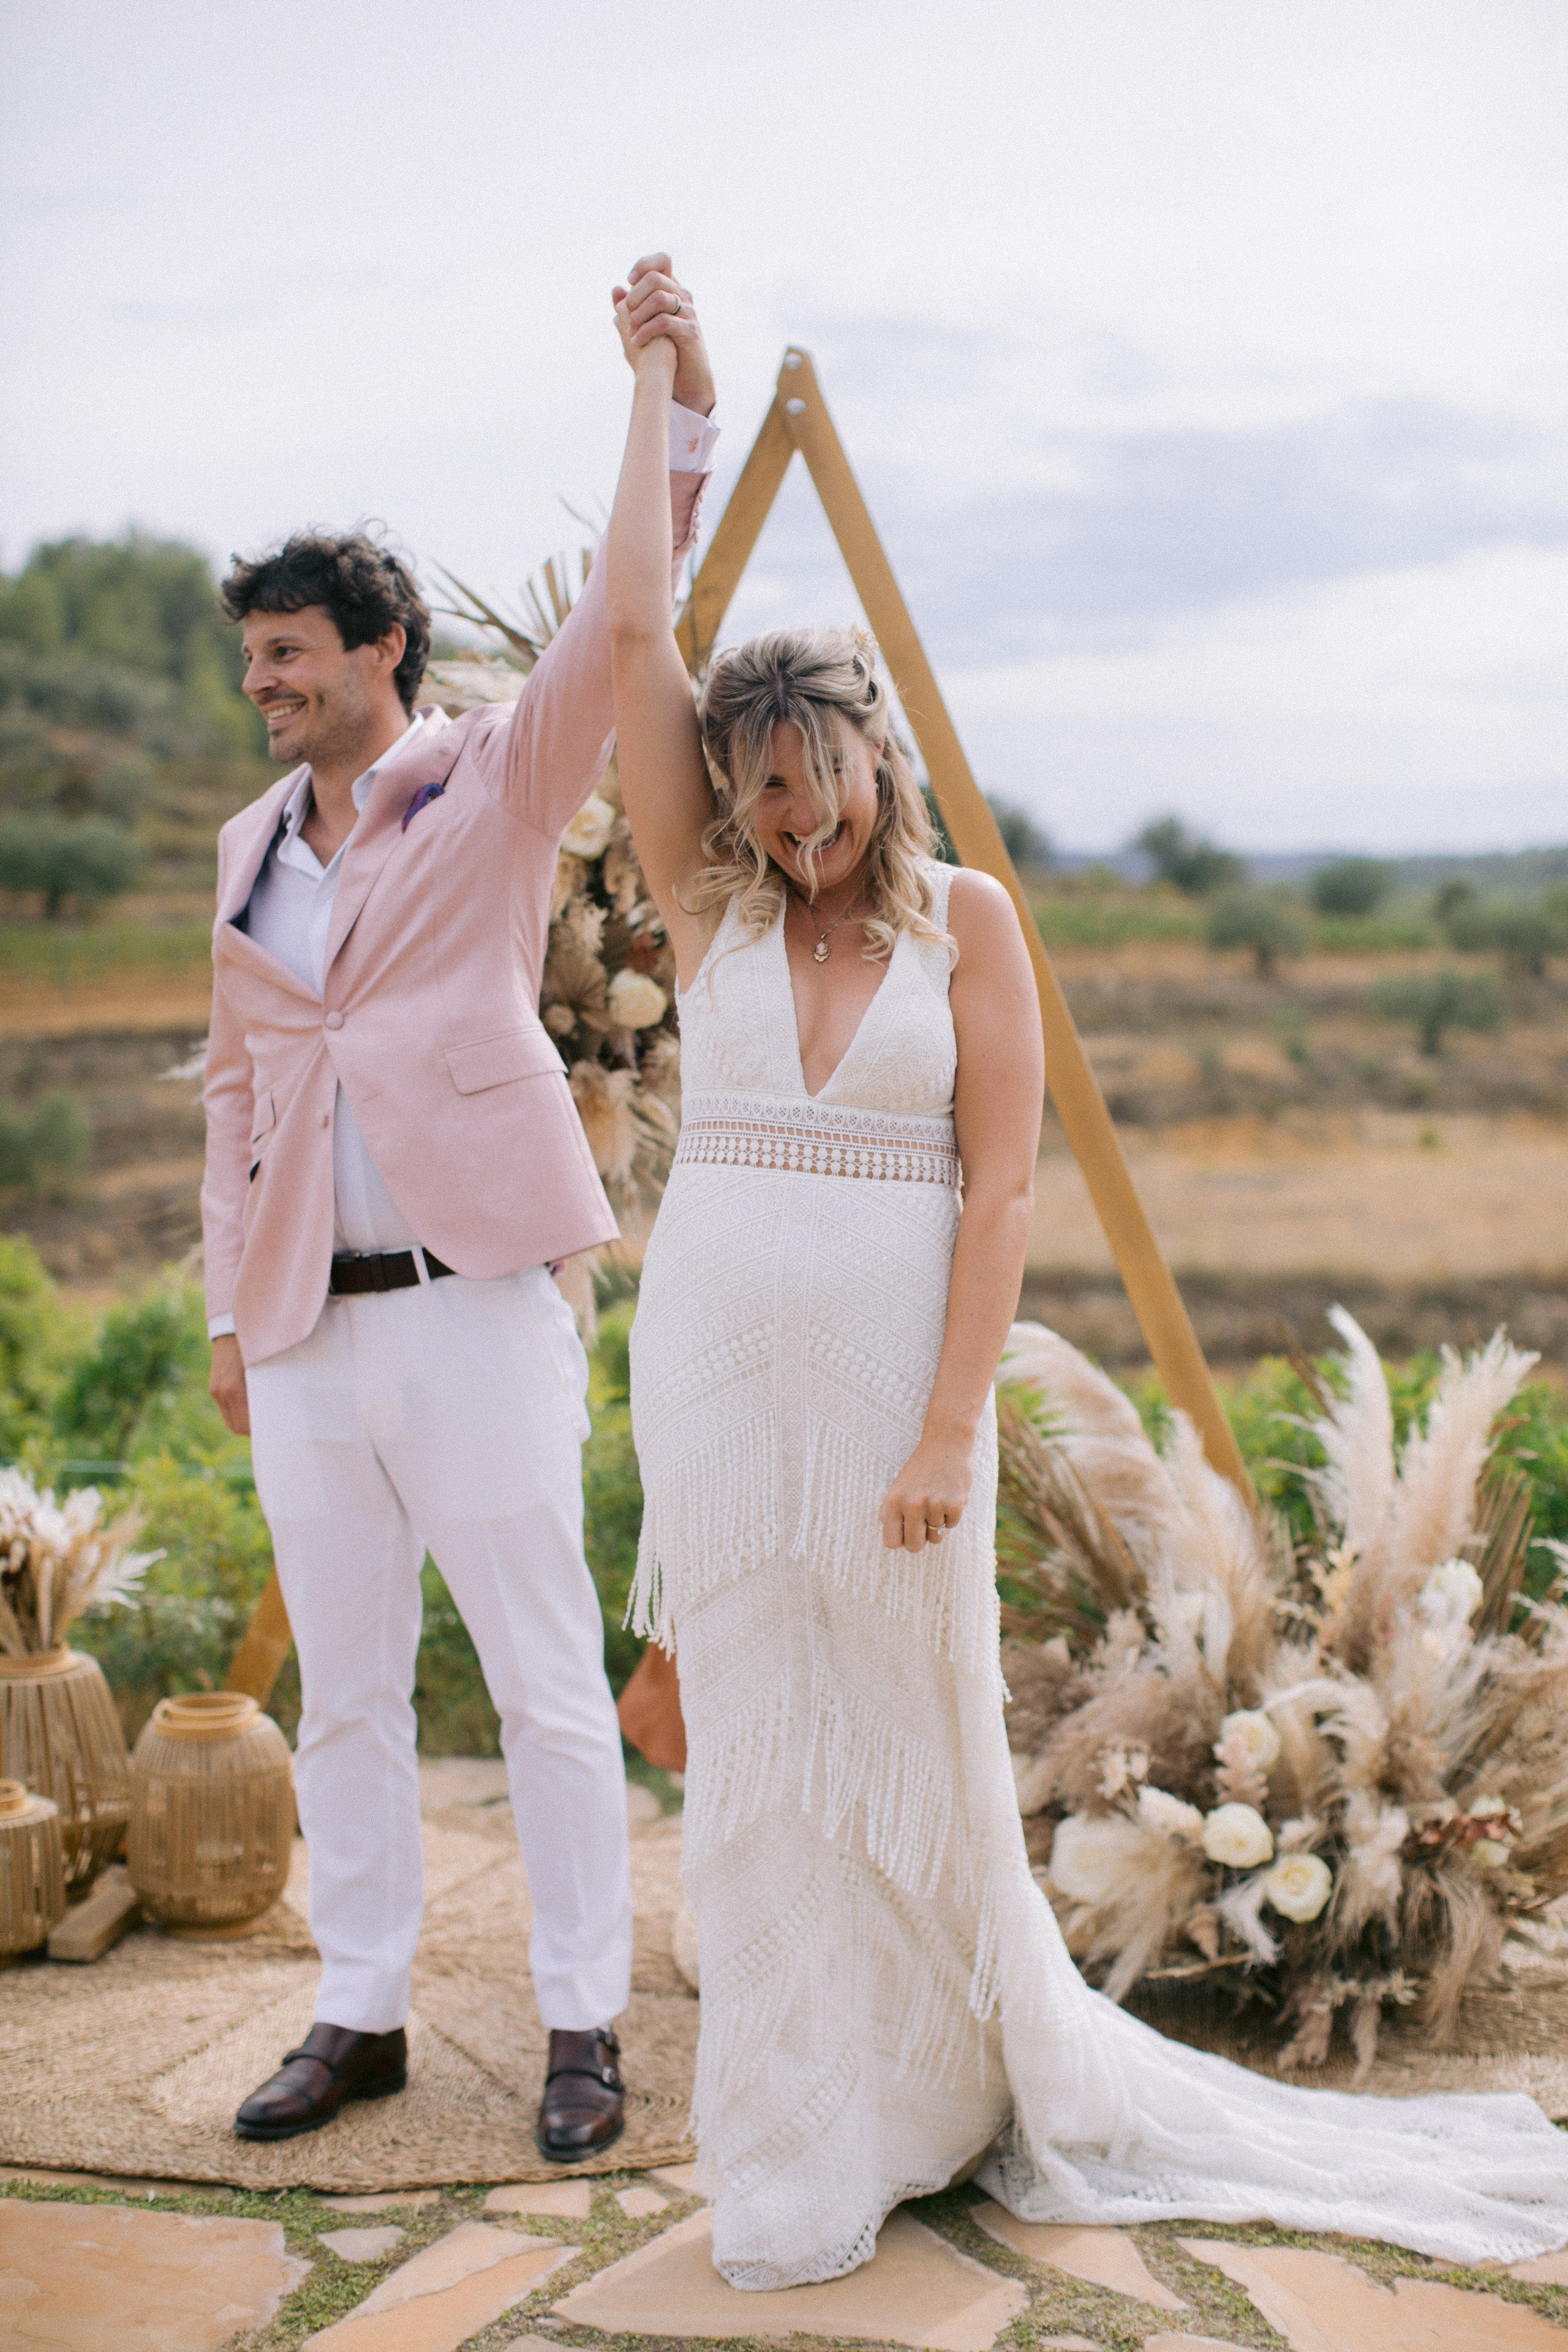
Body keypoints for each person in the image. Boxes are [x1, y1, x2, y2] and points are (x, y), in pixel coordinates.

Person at [602, 294, 1568, 2286]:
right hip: (713, 1377)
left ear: (873, 743)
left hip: (889, 1390)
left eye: (821, 776)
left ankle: (943, 2089)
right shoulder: (705, 898)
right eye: (761, 790)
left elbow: (1005, 1181)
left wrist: (955, 1422)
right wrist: (657, 394)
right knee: (767, 1752)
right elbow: (627, 644)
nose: (797, 822)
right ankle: (802, 2117)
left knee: (913, 1736)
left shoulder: (971, 921)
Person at [200, 255, 717, 2160]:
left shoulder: (494, 781)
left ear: (381, 646)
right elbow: (240, 1091)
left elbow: (633, 594)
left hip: (479, 1301)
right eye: (249, 661)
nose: (263, 689)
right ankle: (362, 2010)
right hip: (307, 1328)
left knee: (538, 1680)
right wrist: (228, 1321)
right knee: (346, 1696)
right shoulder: (251, 849)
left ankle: (583, 2023)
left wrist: (673, 373)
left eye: (290, 655)